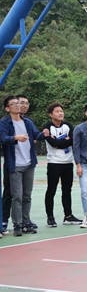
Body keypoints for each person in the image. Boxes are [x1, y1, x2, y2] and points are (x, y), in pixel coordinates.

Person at [0, 96, 44, 236]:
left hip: (29, 163)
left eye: (18, 103)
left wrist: (44, 134)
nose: (18, 105)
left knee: (27, 196)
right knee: (17, 197)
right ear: (8, 108)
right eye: (14, 104)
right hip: (15, 165)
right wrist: (15, 138)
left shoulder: (27, 122)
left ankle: (26, 223)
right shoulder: (5, 122)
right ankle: (17, 225)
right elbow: (3, 138)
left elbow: (36, 135)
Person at [42, 103, 83, 227]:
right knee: (51, 190)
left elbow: (72, 141)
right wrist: (62, 141)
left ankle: (68, 216)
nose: (60, 113)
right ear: (51, 114)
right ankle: (50, 217)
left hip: (67, 162)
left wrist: (60, 141)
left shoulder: (68, 125)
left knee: (67, 190)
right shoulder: (47, 127)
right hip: (54, 163)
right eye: (57, 111)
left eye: (61, 111)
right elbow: (53, 143)